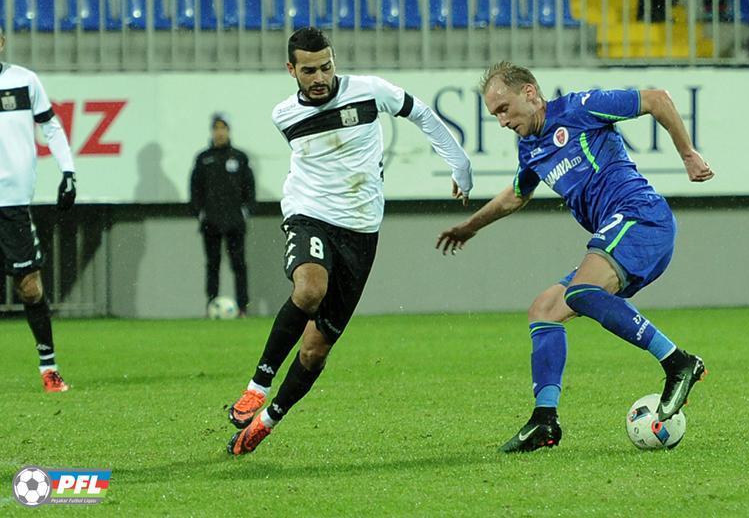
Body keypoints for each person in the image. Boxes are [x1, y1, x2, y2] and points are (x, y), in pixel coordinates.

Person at [436, 62, 714, 453]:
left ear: (530, 93)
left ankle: (678, 362)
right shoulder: (530, 148)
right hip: (619, 232)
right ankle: (544, 420)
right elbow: (516, 195)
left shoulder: (580, 108)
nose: (501, 122)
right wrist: (471, 226)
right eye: (494, 115)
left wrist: (687, 154)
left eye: (503, 109)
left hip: (641, 217)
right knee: (545, 309)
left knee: (581, 291)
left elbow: (656, 99)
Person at [226, 27, 473, 455]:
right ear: (291, 70)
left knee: (315, 350)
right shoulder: (284, 115)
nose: (320, 77)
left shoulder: (370, 91)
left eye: (326, 67)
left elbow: (421, 114)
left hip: (361, 231)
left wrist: (460, 164)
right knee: (310, 289)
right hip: (310, 215)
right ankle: (257, 385)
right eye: (309, 71)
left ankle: (266, 422)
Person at [0, 26, 77, 393]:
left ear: (2, 42)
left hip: (13, 203)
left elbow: (51, 127)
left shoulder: (24, 80)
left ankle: (49, 368)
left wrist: (68, 171)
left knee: (30, 287)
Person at [189, 113, 256, 316]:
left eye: (223, 128)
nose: (219, 133)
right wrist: (199, 213)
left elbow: (249, 188)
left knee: (239, 265)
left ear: (228, 131)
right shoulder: (203, 158)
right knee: (212, 265)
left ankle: (242, 308)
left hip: (235, 221)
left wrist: (246, 211)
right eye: (216, 128)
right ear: (212, 131)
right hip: (211, 222)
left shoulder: (239, 157)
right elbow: (195, 189)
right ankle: (211, 306)